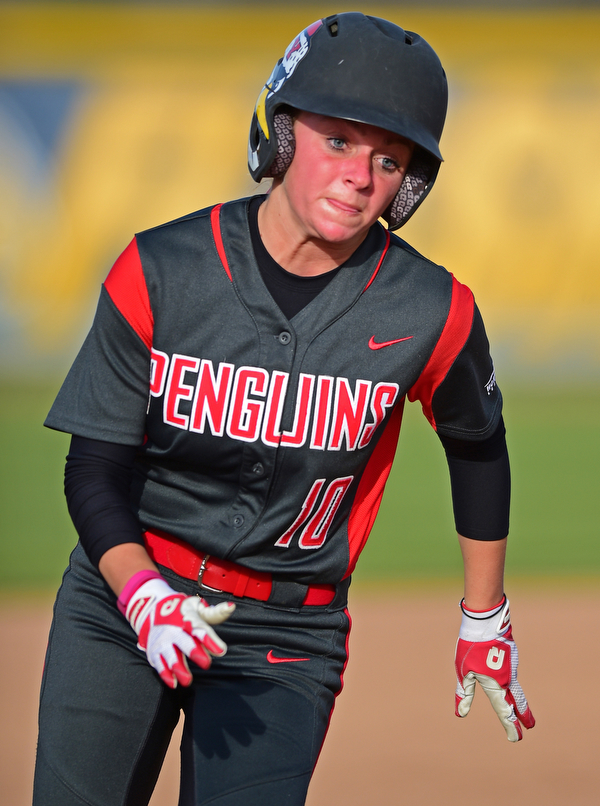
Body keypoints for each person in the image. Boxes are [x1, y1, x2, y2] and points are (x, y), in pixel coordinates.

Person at [33, 12, 534, 806]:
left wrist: (485, 618)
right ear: (283, 135)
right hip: (122, 603)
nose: (359, 177)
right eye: (337, 141)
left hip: (286, 637)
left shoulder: (432, 310)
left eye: (388, 159)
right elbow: (94, 466)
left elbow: (478, 444)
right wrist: (142, 593)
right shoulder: (159, 270)